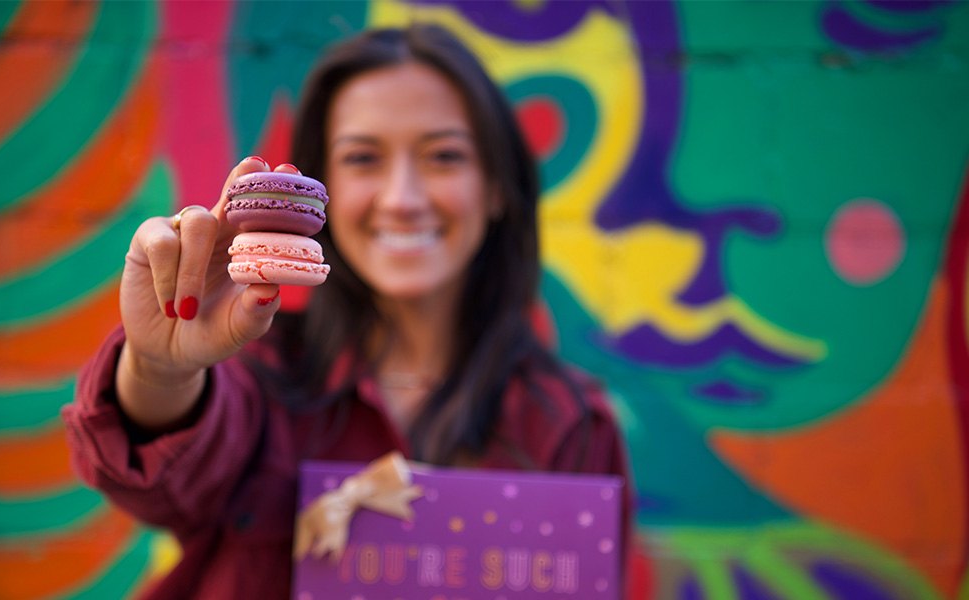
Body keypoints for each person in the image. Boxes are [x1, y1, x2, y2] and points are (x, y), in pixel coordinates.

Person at [63, 24, 633, 599]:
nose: (403, 199)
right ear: (323, 187)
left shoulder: (571, 425)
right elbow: (161, 472)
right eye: (363, 158)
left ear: (495, 187)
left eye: (444, 156)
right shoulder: (260, 379)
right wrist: (162, 369)